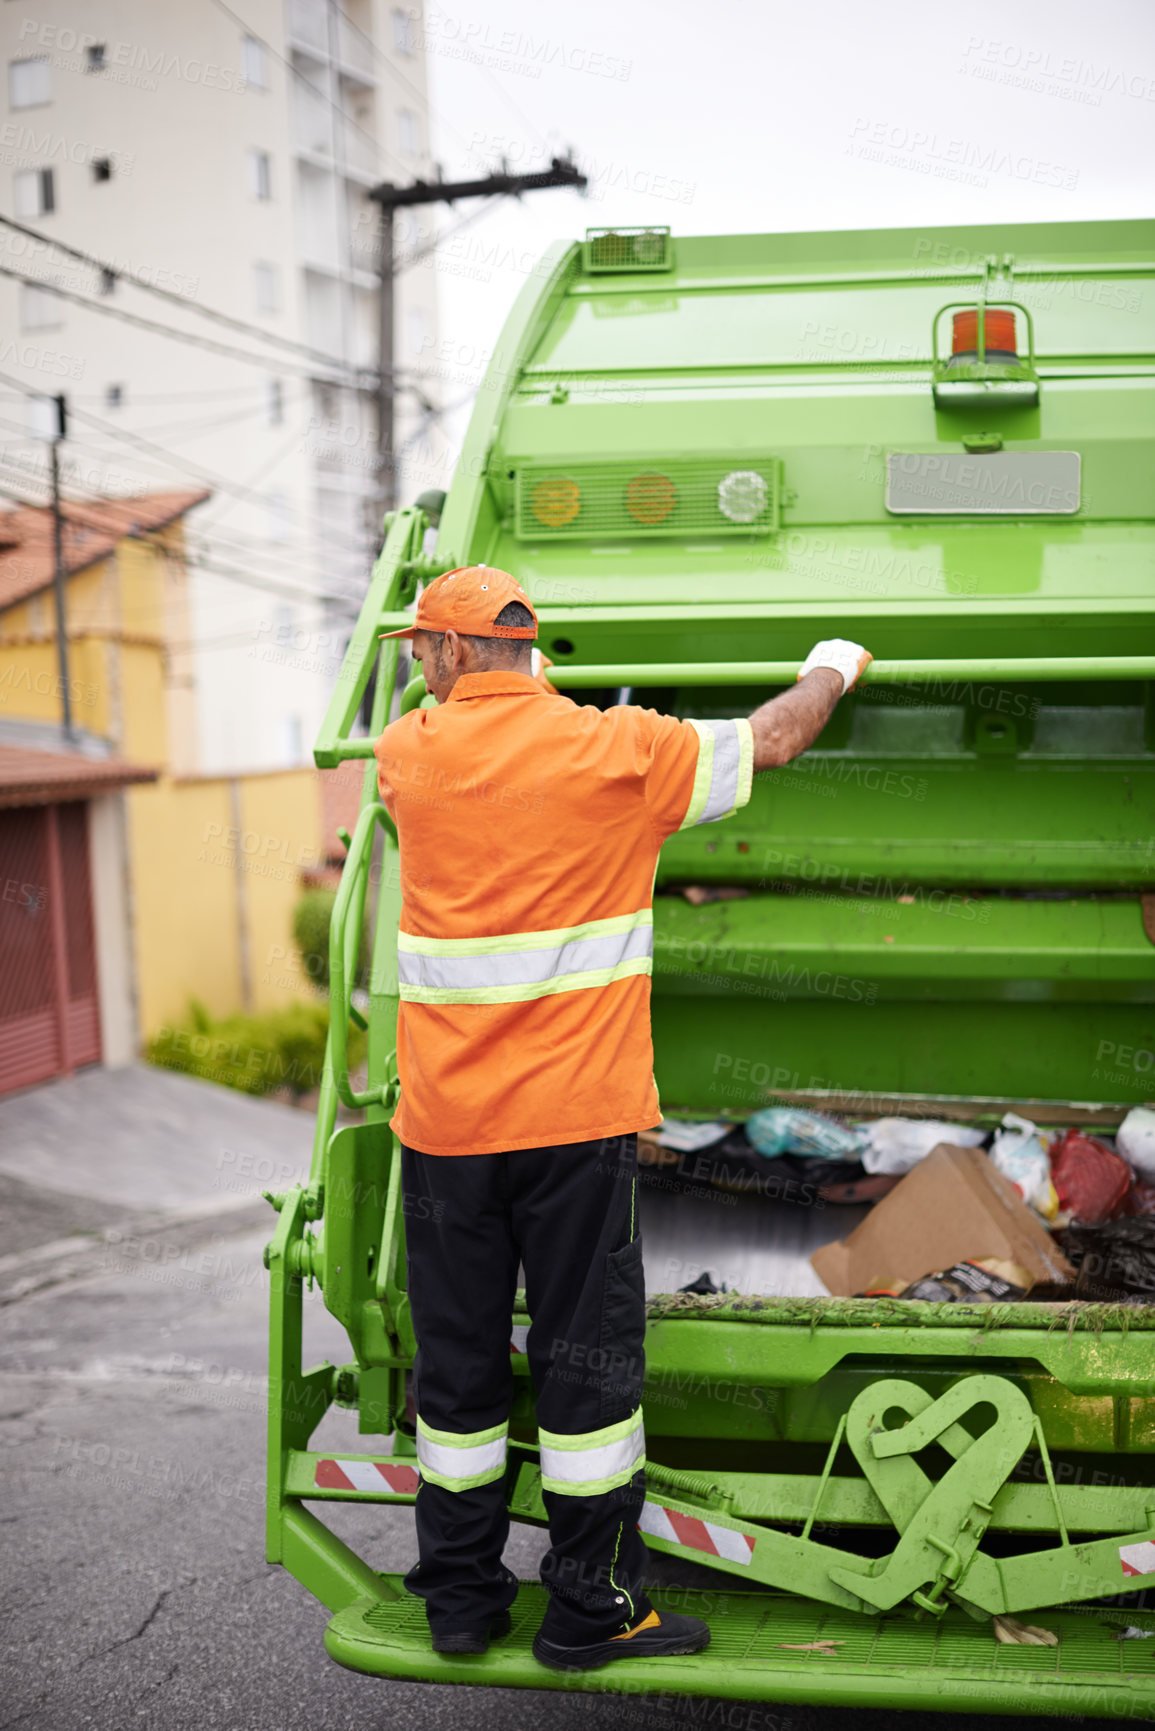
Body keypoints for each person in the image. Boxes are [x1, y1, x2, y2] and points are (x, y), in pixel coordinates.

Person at [374, 565, 871, 1671]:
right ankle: (591, 1611)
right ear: (519, 648)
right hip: (572, 1131)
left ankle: (459, 1601)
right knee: (586, 1372)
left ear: (456, 656)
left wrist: (494, 680)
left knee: (455, 1374)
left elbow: (452, 715)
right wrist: (833, 666)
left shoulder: (405, 760)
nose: (418, 663)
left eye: (423, 648)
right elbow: (775, 740)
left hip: (446, 1135)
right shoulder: (618, 753)